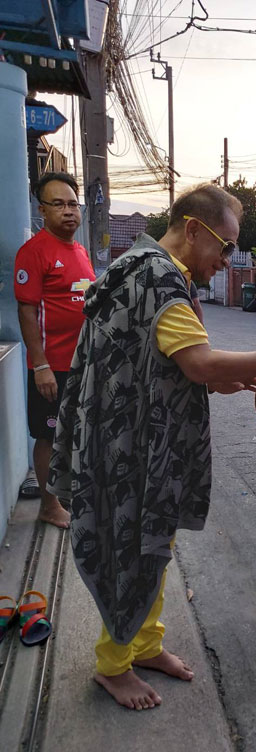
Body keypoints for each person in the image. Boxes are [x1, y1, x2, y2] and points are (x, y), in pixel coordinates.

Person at [48, 183, 256, 711]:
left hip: (125, 433)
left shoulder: (142, 265)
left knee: (153, 543)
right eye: (227, 245)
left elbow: (172, 361)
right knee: (131, 547)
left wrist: (220, 380)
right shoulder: (162, 279)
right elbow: (200, 363)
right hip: (132, 446)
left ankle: (145, 645)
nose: (227, 259)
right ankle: (114, 665)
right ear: (194, 229)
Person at [14, 172, 95, 529]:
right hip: (53, 367)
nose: (68, 212)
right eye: (58, 204)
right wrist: (40, 366)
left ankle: (66, 493)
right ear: (42, 210)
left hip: (81, 365)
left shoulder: (79, 251)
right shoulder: (34, 252)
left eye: (73, 204)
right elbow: (27, 311)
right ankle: (48, 505)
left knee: (74, 433)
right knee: (49, 435)